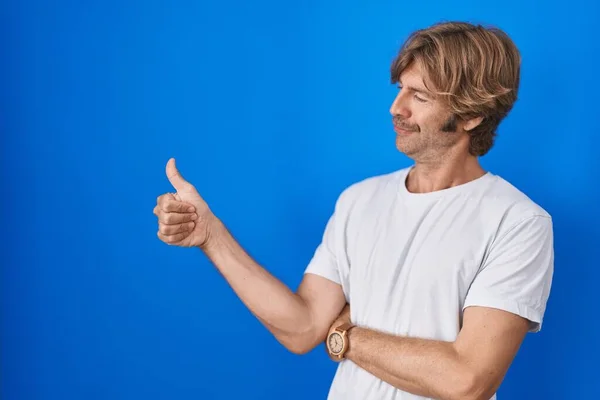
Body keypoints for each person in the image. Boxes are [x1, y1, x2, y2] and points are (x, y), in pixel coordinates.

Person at [153, 21, 554, 400]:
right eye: (400, 89)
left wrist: (347, 336)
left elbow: (467, 379)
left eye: (420, 96)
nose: (397, 108)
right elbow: (303, 327)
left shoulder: (517, 222)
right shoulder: (360, 200)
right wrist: (210, 236)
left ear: (471, 115)